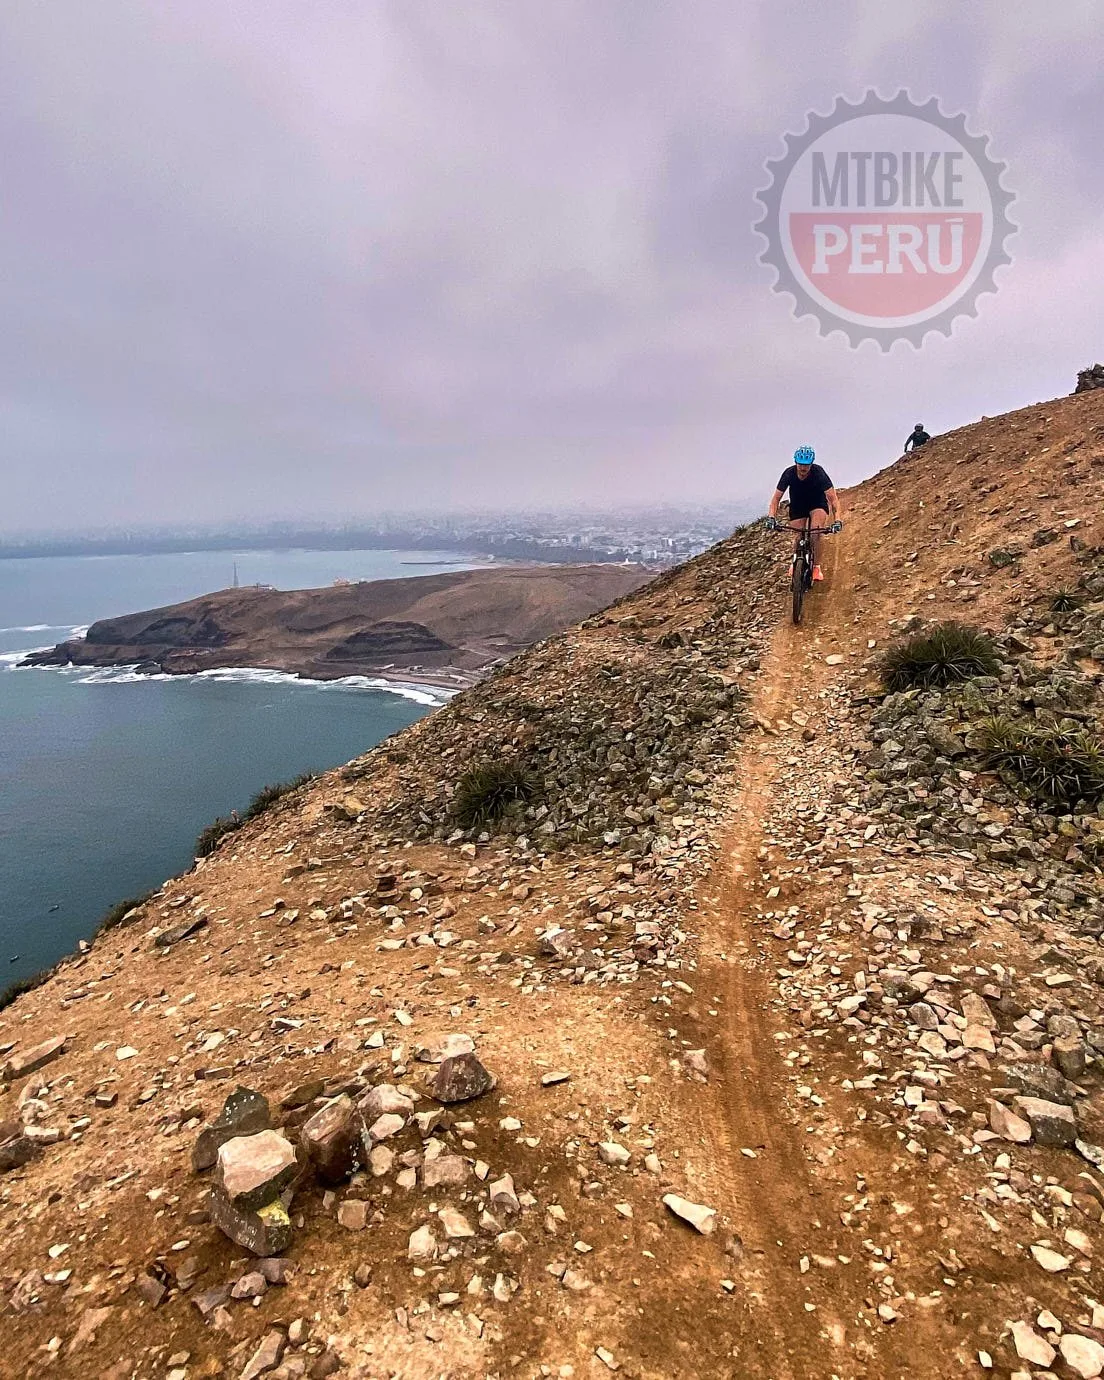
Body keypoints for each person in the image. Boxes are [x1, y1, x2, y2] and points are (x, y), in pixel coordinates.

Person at [766, 446, 842, 583]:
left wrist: (837, 520)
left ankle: (816, 567)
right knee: (798, 534)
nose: (803, 468)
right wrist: (771, 517)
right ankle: (795, 562)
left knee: (815, 533)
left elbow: (833, 499)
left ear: (811, 464)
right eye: (800, 464)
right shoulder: (788, 474)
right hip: (798, 505)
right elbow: (775, 499)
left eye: (806, 465)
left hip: (817, 503)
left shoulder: (819, 473)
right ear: (796, 462)